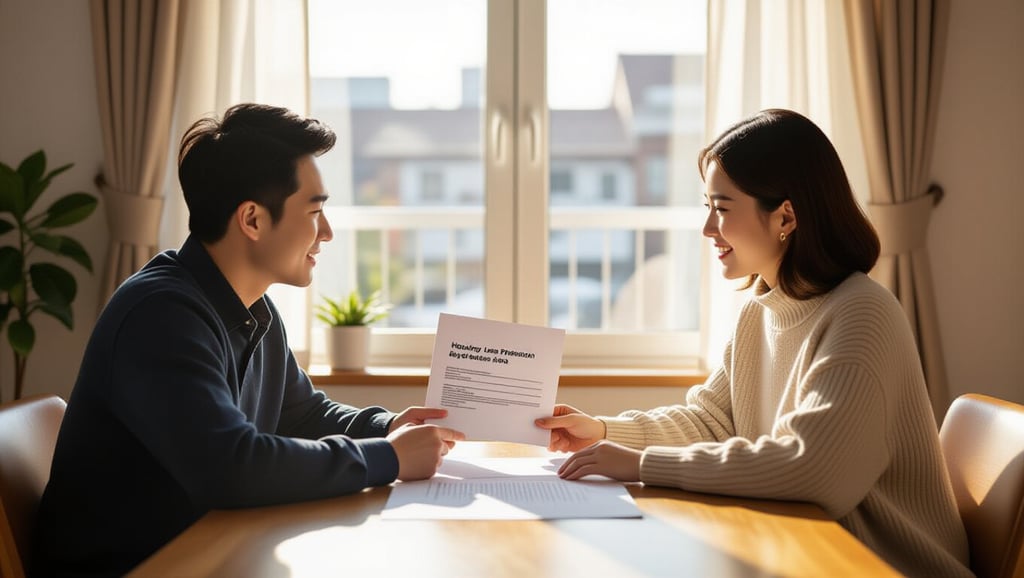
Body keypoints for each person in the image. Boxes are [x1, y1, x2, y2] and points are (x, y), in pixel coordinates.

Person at [32, 103, 465, 576]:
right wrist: (389, 457)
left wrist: (386, 427)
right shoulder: (160, 314)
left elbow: (300, 413)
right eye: (315, 210)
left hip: (206, 553)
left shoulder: (252, 308)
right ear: (253, 220)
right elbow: (231, 468)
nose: (327, 232)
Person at [536, 109, 972, 577]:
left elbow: (816, 471)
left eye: (721, 209)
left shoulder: (863, 314)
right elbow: (712, 421)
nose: (707, 229)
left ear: (786, 215)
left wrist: (642, 464)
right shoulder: (761, 311)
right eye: (707, 207)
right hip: (806, 554)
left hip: (881, 565)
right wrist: (604, 432)